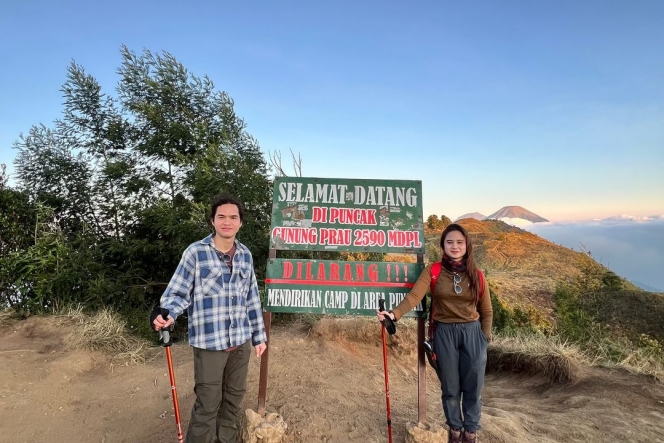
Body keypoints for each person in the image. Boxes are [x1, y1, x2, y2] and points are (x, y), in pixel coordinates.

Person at [152, 194, 267, 443]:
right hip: (209, 344)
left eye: (233, 217)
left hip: (241, 342)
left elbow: (252, 299)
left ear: (240, 223)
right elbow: (178, 292)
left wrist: (259, 336)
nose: (227, 221)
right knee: (208, 403)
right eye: (221, 217)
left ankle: (226, 439)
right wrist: (166, 314)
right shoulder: (196, 253)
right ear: (212, 221)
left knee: (234, 399)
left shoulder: (245, 255)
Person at [378, 223, 492, 443]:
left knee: (473, 386)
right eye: (450, 242)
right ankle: (455, 431)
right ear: (443, 245)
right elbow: (414, 296)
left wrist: (484, 338)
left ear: (467, 245)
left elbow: (486, 310)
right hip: (444, 332)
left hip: (472, 333)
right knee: (450, 387)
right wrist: (394, 314)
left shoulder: (477, 275)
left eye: (459, 242)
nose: (455, 246)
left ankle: (471, 432)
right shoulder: (434, 270)